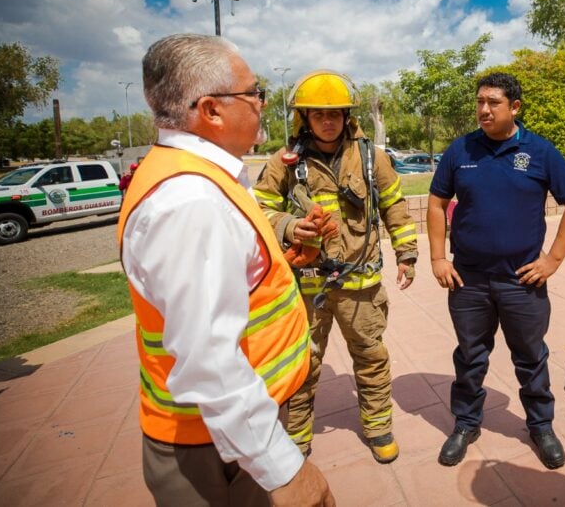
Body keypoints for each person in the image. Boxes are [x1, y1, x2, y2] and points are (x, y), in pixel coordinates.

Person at [118, 34, 335, 506]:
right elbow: (208, 359)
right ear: (212, 110)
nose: (261, 103)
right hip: (216, 446)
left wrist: (280, 261)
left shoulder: (203, 176)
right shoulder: (190, 201)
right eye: (254, 92)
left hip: (224, 432)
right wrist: (285, 471)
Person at [427, 71, 565, 469]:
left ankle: (541, 426)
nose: (484, 110)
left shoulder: (540, 151)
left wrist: (552, 259)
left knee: (531, 356)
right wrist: (437, 257)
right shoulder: (461, 150)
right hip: (468, 280)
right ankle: (466, 424)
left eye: (493, 102)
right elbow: (435, 202)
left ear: (514, 107)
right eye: (480, 102)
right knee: (470, 355)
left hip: (522, 281)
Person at [254, 70, 418, 463]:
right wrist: (291, 226)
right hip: (307, 288)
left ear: (347, 117)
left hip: (361, 285)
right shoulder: (285, 162)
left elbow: (394, 202)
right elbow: (258, 209)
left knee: (370, 356)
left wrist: (407, 252)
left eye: (336, 114)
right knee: (302, 364)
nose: (328, 121)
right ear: (305, 118)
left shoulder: (369, 157)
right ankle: (297, 438)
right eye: (319, 114)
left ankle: (378, 427)